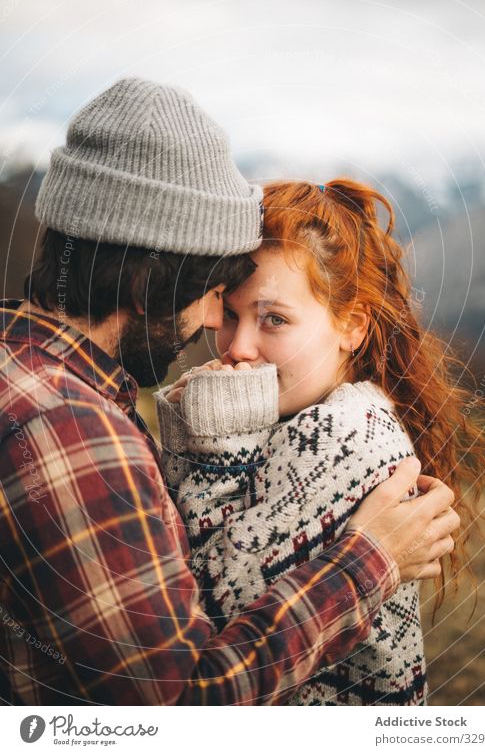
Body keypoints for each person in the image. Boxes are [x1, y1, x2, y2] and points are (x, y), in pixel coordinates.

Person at [0, 78, 459, 706]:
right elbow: (182, 700)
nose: (218, 327)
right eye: (213, 291)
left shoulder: (28, 374)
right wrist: (371, 558)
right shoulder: (71, 428)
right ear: (146, 286)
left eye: (272, 317)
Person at [158, 177, 485, 705]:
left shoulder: (341, 435)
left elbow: (201, 616)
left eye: (274, 319)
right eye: (229, 313)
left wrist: (206, 444)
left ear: (351, 326)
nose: (238, 347)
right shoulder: (288, 415)